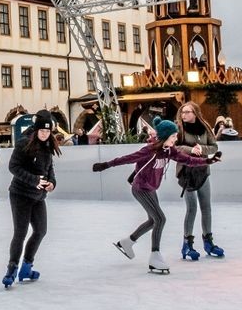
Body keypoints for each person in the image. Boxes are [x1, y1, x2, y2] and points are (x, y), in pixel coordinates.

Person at [93, 118, 217, 275]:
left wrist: (208, 160)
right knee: (160, 219)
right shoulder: (149, 150)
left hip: (151, 189)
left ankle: (127, 243)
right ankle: (155, 257)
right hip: (141, 189)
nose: (175, 139)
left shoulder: (169, 150)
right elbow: (127, 159)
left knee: (153, 220)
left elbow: (187, 160)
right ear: (166, 136)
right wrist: (105, 165)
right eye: (173, 136)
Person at [2, 110, 59, 288]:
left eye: (48, 132)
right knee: (20, 233)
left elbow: (50, 171)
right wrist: (34, 180)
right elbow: (13, 167)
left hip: (38, 197)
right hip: (20, 195)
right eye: (42, 131)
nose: (45, 134)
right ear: (36, 130)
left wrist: (51, 183)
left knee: (41, 230)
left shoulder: (48, 147)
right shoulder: (23, 144)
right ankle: (11, 269)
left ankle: (26, 267)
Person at [174, 101, 223, 260]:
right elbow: (175, 147)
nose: (184, 115)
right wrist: (190, 150)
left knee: (206, 206)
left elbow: (214, 147)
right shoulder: (179, 129)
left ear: (195, 113)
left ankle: (208, 241)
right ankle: (187, 244)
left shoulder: (205, 127)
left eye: (187, 112)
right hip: (187, 172)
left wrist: (202, 148)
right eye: (182, 112)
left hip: (202, 171)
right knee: (192, 207)